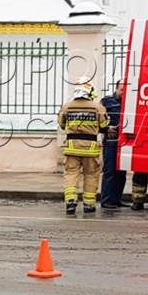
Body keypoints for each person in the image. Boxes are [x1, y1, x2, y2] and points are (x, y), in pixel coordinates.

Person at [58, 82, 107, 214]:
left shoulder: (67, 106)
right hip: (90, 149)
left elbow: (61, 124)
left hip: (71, 147)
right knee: (91, 175)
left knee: (71, 174)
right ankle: (89, 204)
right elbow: (104, 125)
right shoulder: (97, 107)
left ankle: (70, 202)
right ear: (90, 92)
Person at [98, 80, 126, 209]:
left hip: (125, 141)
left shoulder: (130, 102)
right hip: (111, 141)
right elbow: (97, 119)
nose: (123, 92)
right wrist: (105, 128)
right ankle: (107, 200)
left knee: (121, 172)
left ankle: (116, 199)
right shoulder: (106, 102)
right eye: (121, 89)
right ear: (116, 89)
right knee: (110, 171)